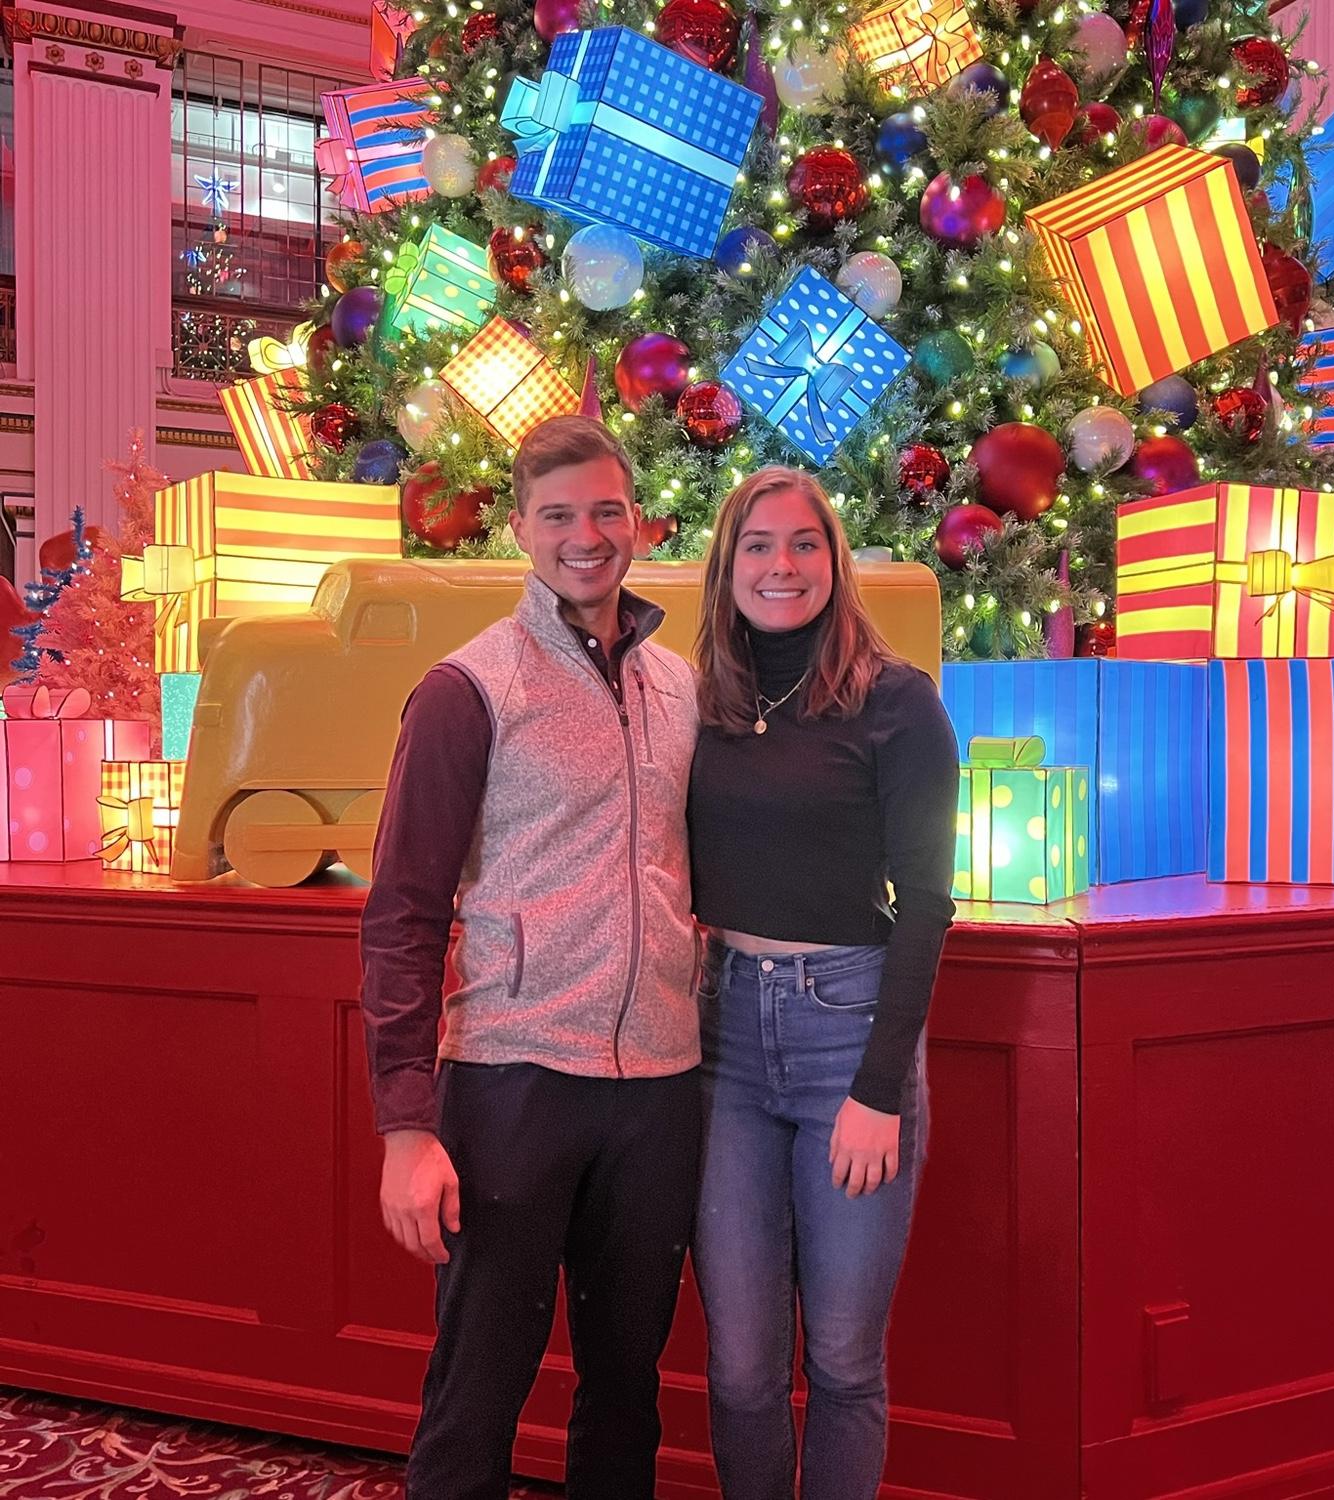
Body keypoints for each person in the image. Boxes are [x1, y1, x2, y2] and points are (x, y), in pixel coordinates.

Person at [359, 414, 702, 1500]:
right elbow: (403, 913)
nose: (584, 537)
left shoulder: (681, 688)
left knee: (627, 1388)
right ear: (519, 529)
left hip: (660, 1088)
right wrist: (407, 1125)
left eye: (605, 512)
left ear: (638, 522)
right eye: (557, 516)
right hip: (512, 1081)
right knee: (479, 1385)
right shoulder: (468, 688)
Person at [687, 465, 960, 1500]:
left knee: (843, 1357)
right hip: (721, 1036)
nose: (782, 565)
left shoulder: (897, 701)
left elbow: (927, 902)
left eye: (804, 543)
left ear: (836, 563)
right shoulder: (698, 699)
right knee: (741, 1366)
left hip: (849, 1029)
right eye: (758, 545)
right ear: (727, 566)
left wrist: (879, 1090)